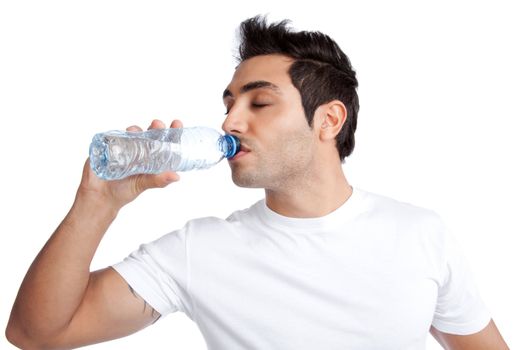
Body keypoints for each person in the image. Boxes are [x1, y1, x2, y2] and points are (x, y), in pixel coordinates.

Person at [6, 16, 508, 350]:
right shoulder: (197, 249)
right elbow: (35, 332)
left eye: (259, 103)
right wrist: (97, 203)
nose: (229, 122)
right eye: (228, 104)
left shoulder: (421, 233)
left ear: (329, 120)